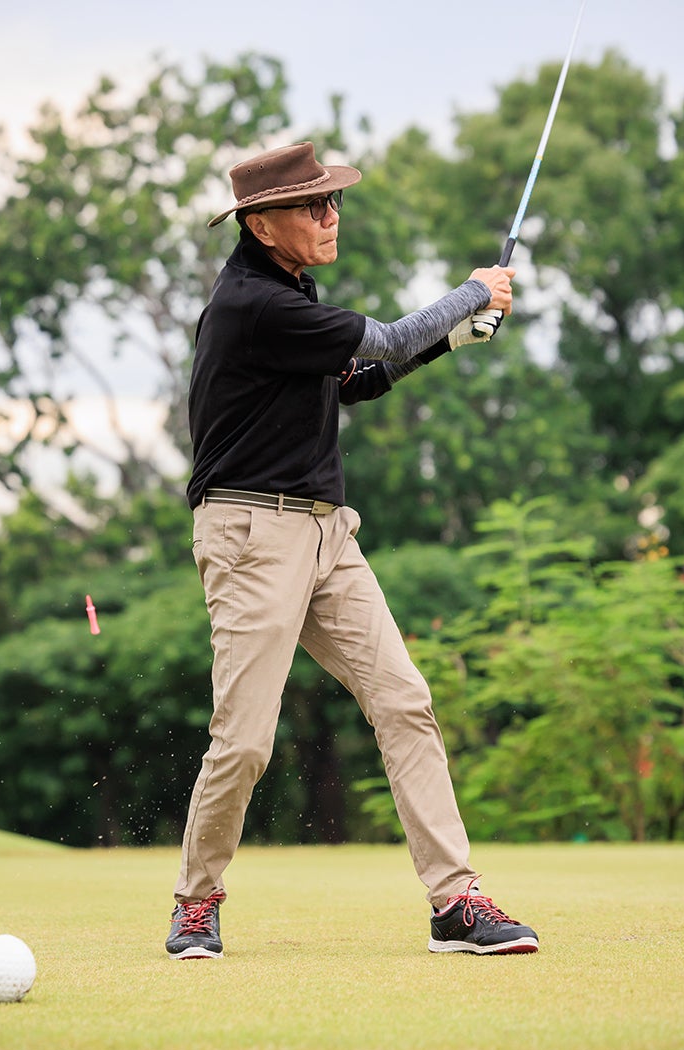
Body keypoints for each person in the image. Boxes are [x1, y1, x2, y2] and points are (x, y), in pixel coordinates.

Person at [166, 141, 538, 960]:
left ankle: (454, 903)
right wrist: (472, 293)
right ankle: (196, 903)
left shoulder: (291, 294)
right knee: (245, 739)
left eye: (333, 201)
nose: (331, 216)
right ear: (262, 225)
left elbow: (358, 380)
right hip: (250, 535)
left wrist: (449, 341)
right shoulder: (252, 304)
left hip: (327, 532)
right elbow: (389, 339)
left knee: (404, 701)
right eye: (313, 206)